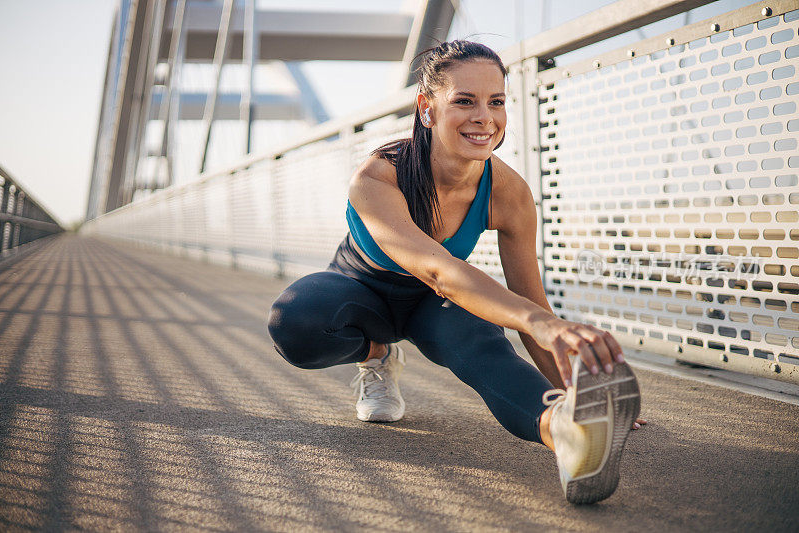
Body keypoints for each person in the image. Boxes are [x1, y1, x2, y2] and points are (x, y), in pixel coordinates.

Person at [268, 40, 643, 504]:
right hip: (359, 290)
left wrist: (576, 390)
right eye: (464, 101)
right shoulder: (378, 177)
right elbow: (438, 268)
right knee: (295, 321)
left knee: (482, 346)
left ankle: (566, 431)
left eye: (497, 101)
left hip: (433, 303)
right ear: (427, 107)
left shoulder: (508, 192)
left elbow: (530, 299)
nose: (484, 117)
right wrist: (542, 323)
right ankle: (376, 355)